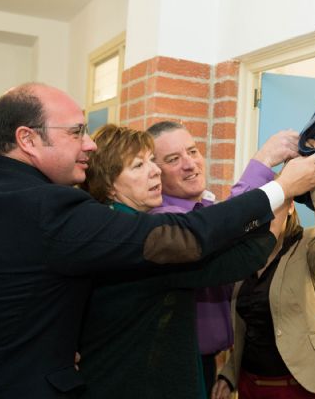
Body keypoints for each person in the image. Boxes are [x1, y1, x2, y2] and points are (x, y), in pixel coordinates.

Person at [0, 82, 315, 399]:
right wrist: (280, 189)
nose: (88, 144)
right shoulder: (48, 207)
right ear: (28, 139)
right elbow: (187, 239)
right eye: (75, 132)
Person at [77, 124, 286, 398]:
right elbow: (232, 252)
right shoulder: (143, 234)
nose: (154, 171)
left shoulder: (129, 222)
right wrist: (283, 190)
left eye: (152, 161)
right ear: (109, 186)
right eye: (139, 165)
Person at [146, 120, 300, 395]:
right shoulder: (164, 223)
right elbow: (224, 229)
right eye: (173, 159)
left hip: (216, 364)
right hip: (178, 370)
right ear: (154, 172)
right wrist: (264, 162)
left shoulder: (206, 207)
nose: (189, 164)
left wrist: (229, 368)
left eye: (192, 152)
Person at [212, 136, 315, 399]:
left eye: (275, 203)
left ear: (289, 208)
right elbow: (245, 328)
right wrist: (229, 373)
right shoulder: (243, 256)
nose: (265, 214)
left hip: (299, 388)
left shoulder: (306, 244)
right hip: (249, 385)